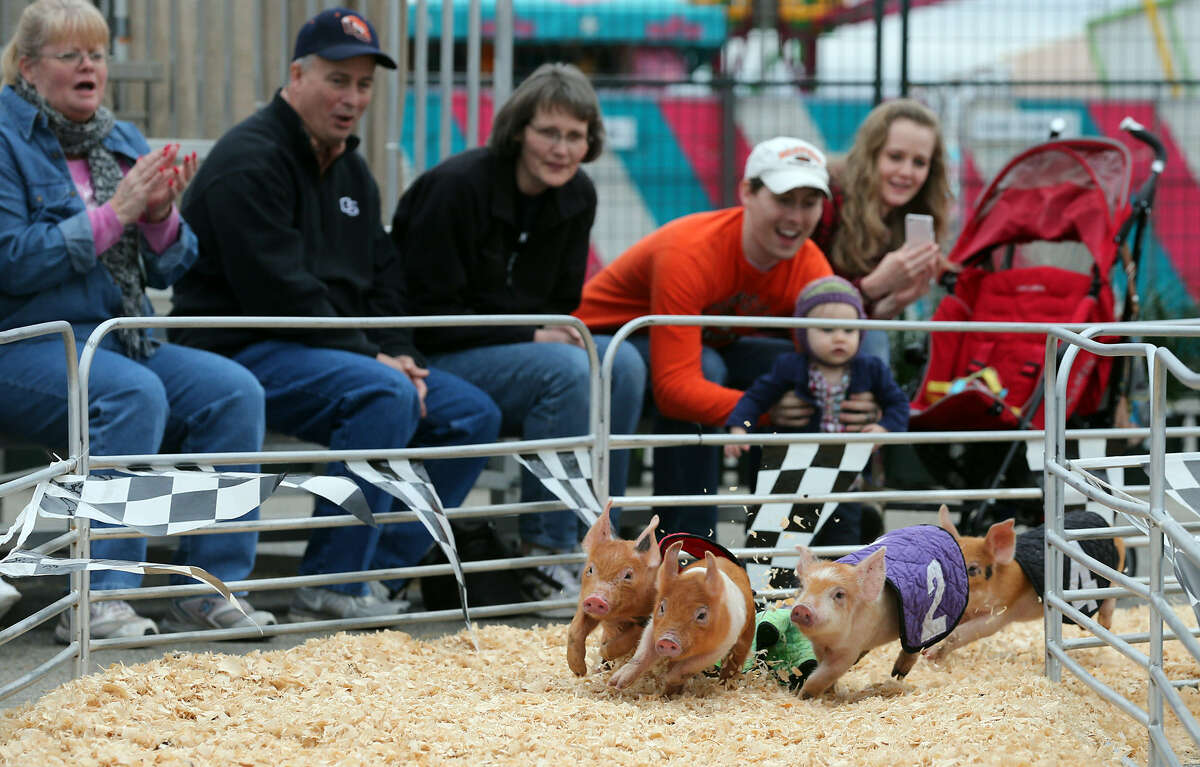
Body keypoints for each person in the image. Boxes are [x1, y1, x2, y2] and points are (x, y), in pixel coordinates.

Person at [170, 7, 501, 621]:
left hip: (331, 351)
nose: (353, 98)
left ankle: (384, 573)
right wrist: (373, 358)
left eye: (364, 84)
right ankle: (331, 582)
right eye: (337, 80)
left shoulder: (352, 167)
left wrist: (401, 352)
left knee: (470, 413)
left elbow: (383, 280)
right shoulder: (249, 160)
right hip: (238, 346)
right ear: (296, 76)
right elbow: (278, 293)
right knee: (383, 394)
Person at [0, 0, 272, 640]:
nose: (89, 66)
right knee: (131, 393)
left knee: (234, 392)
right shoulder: (5, 141)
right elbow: (12, 264)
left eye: (96, 54)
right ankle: (98, 595)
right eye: (71, 55)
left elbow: (171, 267)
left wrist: (158, 217)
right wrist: (114, 215)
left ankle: (209, 588)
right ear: (29, 68)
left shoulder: (120, 140)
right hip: (28, 343)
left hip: (120, 334)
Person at [390, 62, 646, 601]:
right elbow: (426, 313)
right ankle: (547, 553)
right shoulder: (456, 187)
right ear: (518, 132)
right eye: (548, 132)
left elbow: (558, 304)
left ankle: (604, 543)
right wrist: (531, 337)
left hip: (514, 351)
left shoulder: (577, 195)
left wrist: (537, 334)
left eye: (575, 136)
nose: (562, 149)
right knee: (567, 368)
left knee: (621, 363)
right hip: (435, 352)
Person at [575, 137, 884, 540]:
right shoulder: (690, 249)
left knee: (800, 373)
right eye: (784, 198)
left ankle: (781, 551)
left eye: (809, 203)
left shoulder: (808, 262)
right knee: (710, 368)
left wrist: (860, 401)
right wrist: (769, 411)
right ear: (746, 193)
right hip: (603, 345)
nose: (796, 216)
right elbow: (674, 388)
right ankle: (688, 550)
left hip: (697, 349)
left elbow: (833, 358)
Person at [724, 277, 908, 540]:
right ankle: (767, 573)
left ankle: (836, 576)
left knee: (840, 542)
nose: (839, 338)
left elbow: (898, 403)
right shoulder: (790, 366)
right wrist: (739, 427)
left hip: (844, 481)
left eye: (849, 330)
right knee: (781, 540)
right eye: (826, 329)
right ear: (804, 333)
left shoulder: (871, 369)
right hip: (794, 480)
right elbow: (756, 397)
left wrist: (883, 427)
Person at [810, 98, 951, 365]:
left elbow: (859, 319)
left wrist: (892, 304)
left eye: (919, 162)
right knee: (873, 339)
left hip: (842, 342)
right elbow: (806, 306)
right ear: (870, 154)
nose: (906, 172)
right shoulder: (826, 201)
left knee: (874, 335)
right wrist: (874, 286)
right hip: (792, 336)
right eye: (895, 157)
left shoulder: (904, 217)